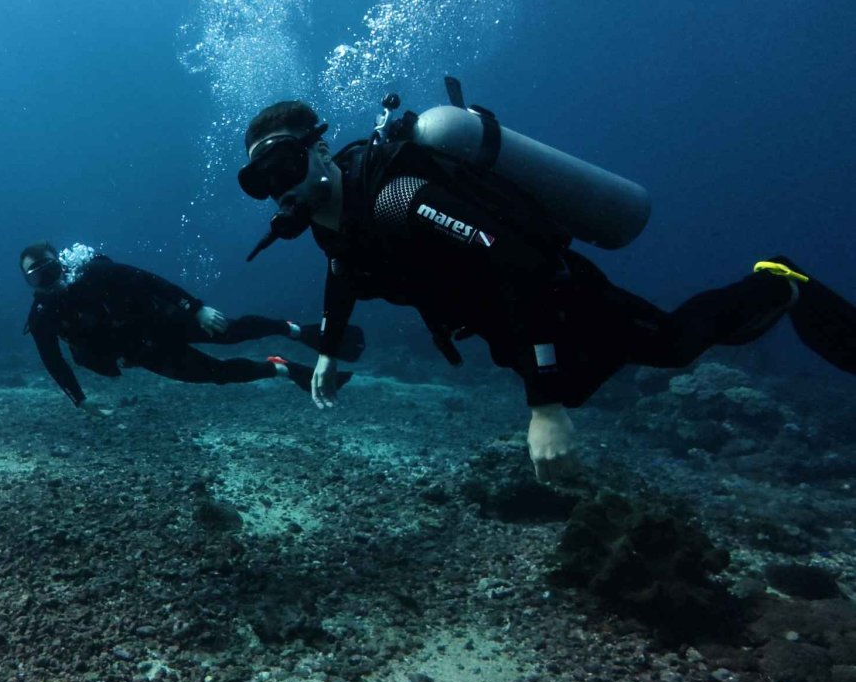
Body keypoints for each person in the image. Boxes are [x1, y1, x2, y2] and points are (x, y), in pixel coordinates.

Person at [237, 90, 856, 482]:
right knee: (590, 383)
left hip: (555, 297)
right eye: (262, 181)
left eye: (285, 166)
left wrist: (544, 408)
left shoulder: (400, 197)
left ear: (319, 149)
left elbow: (520, 269)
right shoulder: (334, 224)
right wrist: (328, 350)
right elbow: (344, 274)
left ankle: (776, 281)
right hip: (505, 322)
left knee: (671, 344)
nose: (279, 189)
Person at [21, 242, 365, 412]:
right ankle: (282, 369)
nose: (48, 279)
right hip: (144, 353)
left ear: (61, 264)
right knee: (217, 374)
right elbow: (54, 361)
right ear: (29, 283)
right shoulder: (42, 318)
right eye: (37, 276)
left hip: (166, 321)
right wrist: (79, 400)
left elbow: (150, 281)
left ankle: (294, 330)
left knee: (232, 333)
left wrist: (196, 308)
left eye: (50, 269)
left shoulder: (95, 273)